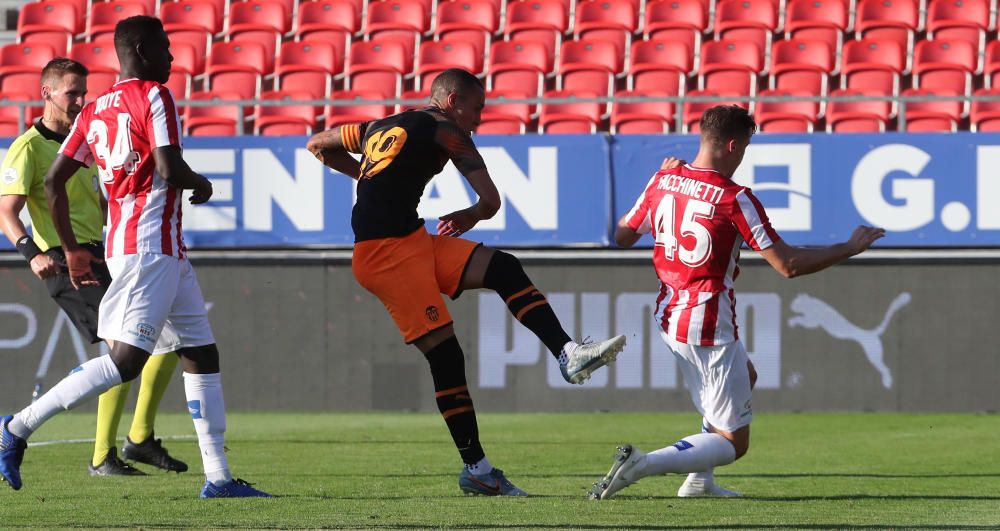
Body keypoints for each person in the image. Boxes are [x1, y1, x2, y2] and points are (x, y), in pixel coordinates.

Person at [306, 68, 627, 497]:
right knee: (447, 357)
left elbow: (317, 145)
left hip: (411, 240)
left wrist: (368, 176)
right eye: (476, 109)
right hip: (386, 256)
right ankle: (477, 469)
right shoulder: (446, 130)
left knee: (503, 267)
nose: (478, 119)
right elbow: (491, 201)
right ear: (454, 100)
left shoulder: (377, 126)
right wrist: (471, 215)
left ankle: (568, 353)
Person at [0, 16, 269, 498]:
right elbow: (167, 165)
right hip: (148, 248)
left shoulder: (94, 109)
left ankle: (219, 478)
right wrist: (202, 183)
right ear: (143, 50)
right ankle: (17, 427)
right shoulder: (153, 96)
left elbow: (54, 181)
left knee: (200, 352)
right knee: (124, 362)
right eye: (165, 47)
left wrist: (72, 249)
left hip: (155, 247)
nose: (171, 56)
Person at [589, 105, 885, 500]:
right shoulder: (735, 198)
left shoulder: (664, 179)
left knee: (745, 376)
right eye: (744, 147)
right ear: (732, 145)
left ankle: (699, 481)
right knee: (734, 442)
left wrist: (658, 178)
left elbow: (623, 235)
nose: (742, 155)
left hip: (670, 316)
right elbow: (789, 265)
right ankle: (644, 464)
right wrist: (848, 248)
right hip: (708, 322)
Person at [0, 57, 187, 478]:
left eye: (84, 92)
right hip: (66, 263)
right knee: (122, 352)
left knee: (172, 341)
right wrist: (31, 253)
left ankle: (138, 438)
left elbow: (100, 200)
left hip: (103, 254)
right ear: (46, 92)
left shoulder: (82, 141)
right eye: (72, 93)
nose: (81, 100)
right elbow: (6, 210)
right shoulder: (28, 147)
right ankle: (101, 454)